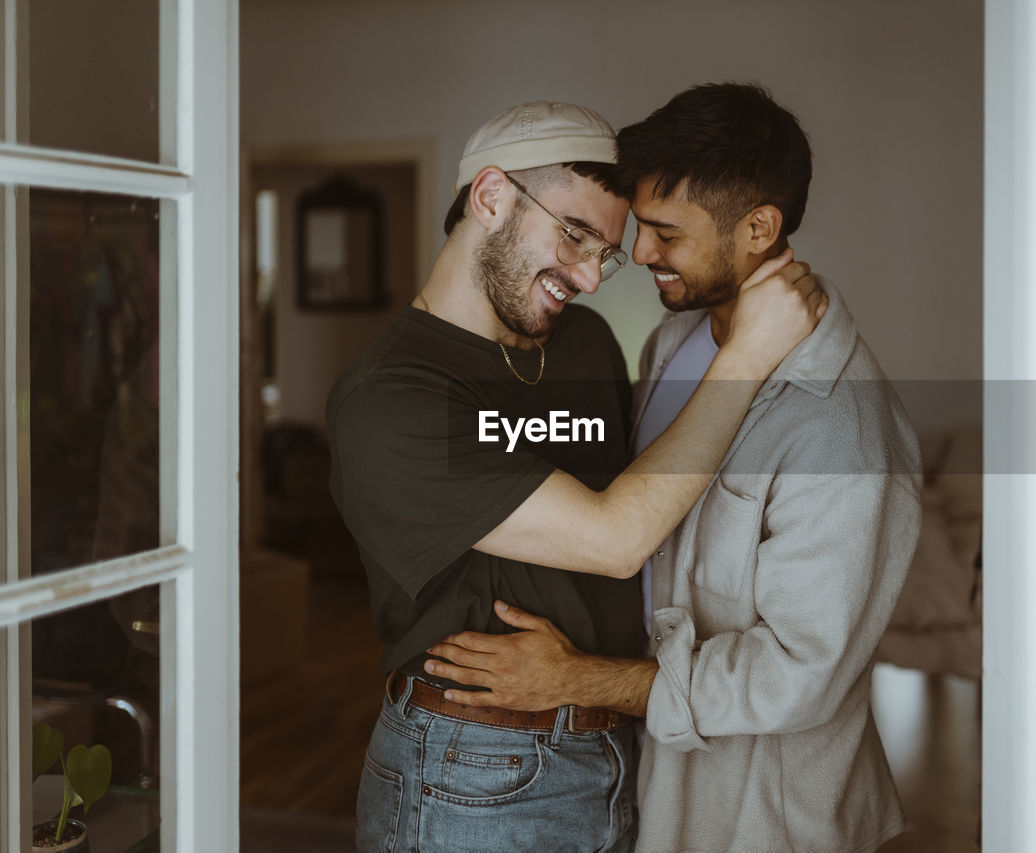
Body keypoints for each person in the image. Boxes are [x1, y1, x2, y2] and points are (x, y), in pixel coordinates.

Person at [424, 83, 923, 853]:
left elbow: (796, 675)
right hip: (643, 781)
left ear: (760, 227)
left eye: (664, 232)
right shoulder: (674, 344)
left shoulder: (839, 427)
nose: (641, 255)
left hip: (766, 816)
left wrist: (580, 679)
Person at [326, 100, 825, 853]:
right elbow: (616, 538)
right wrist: (747, 359)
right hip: (472, 771)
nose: (592, 277)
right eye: (574, 233)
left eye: (608, 251)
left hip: (620, 750)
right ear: (490, 197)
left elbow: (651, 497)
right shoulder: (390, 399)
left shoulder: (582, 341)